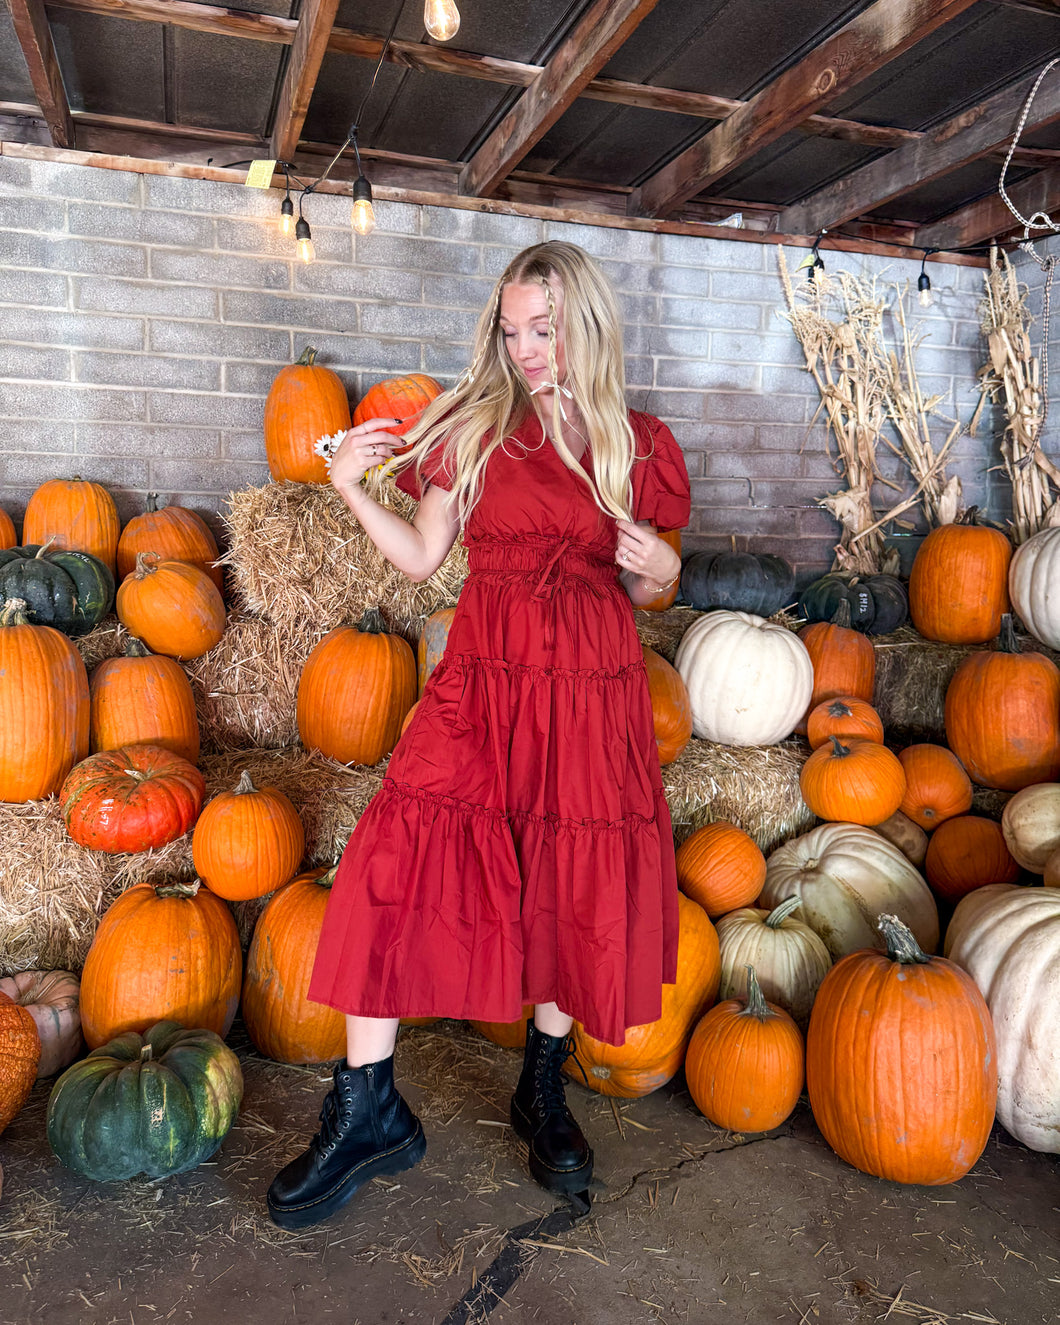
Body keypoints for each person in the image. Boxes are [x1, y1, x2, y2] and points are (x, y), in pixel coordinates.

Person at [267, 240, 690, 1232]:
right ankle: (367, 1105)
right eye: (510, 331)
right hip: (484, 677)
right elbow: (421, 559)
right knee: (388, 855)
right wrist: (350, 487)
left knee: (565, 881)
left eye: (542, 329)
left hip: (591, 687)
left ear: (582, 325)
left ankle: (541, 1086)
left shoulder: (639, 442)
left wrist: (660, 560)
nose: (526, 349)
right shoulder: (476, 427)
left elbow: (648, 587)